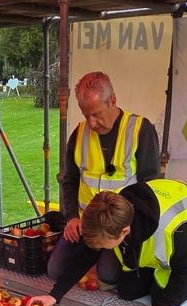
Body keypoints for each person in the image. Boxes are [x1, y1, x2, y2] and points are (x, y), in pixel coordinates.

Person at [29, 179, 187, 306]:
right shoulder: (110, 210)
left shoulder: (172, 232)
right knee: (128, 292)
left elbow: (183, 272)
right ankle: (156, 275)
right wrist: (55, 294)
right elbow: (87, 254)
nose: (102, 249)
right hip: (154, 230)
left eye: (104, 245)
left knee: (168, 300)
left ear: (125, 232)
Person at [47, 71, 160, 286]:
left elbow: (151, 187)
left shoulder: (140, 130)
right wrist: (71, 217)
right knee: (55, 271)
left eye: (97, 114)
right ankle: (93, 258)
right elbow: (69, 180)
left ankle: (102, 260)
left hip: (118, 228)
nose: (91, 123)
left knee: (108, 276)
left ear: (113, 100)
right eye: (86, 115)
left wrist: (127, 231)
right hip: (85, 225)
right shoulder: (78, 134)